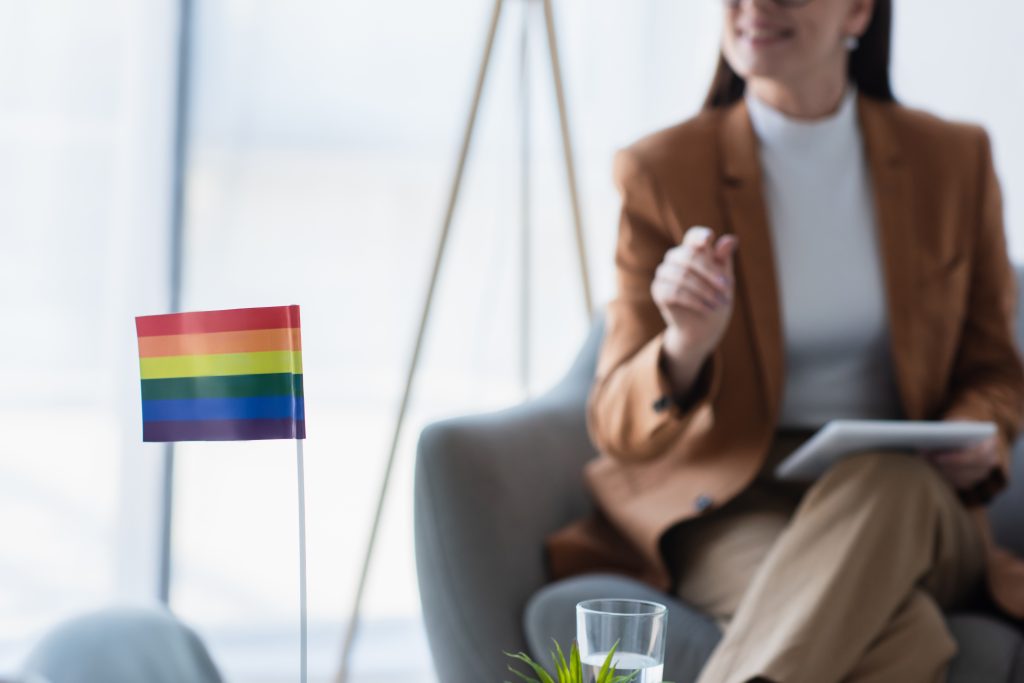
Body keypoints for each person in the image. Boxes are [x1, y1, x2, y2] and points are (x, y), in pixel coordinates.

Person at [545, 0, 1024, 681]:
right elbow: (615, 425)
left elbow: (996, 369)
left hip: (917, 493)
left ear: (858, 11)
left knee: (887, 479)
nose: (755, 6)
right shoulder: (662, 169)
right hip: (736, 495)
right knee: (905, 637)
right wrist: (684, 345)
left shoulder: (953, 159)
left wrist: (979, 429)